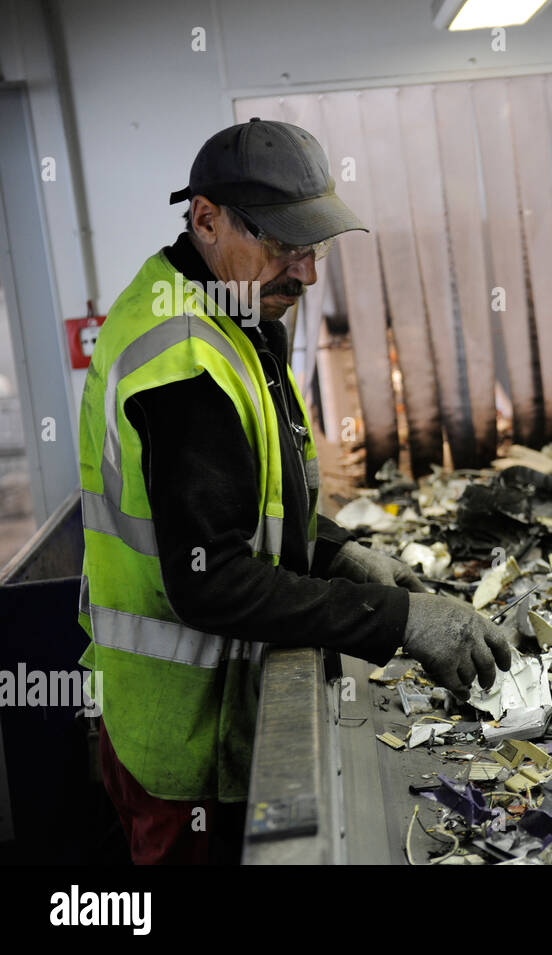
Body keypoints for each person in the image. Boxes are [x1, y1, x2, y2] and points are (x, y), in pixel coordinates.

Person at [76, 119, 511, 864]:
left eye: (315, 247)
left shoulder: (236, 313)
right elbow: (211, 582)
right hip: (180, 741)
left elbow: (260, 498)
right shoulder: (181, 358)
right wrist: (399, 619)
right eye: (283, 246)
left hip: (216, 720)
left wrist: (341, 553)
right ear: (205, 219)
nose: (306, 274)